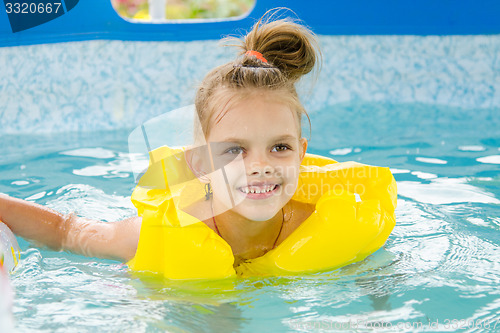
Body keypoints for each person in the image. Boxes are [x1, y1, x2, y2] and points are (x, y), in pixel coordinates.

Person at [0, 11, 396, 278]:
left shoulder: (319, 221)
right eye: (234, 149)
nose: (260, 166)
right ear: (199, 164)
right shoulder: (170, 227)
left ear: (302, 153)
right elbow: (68, 231)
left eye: (279, 147)